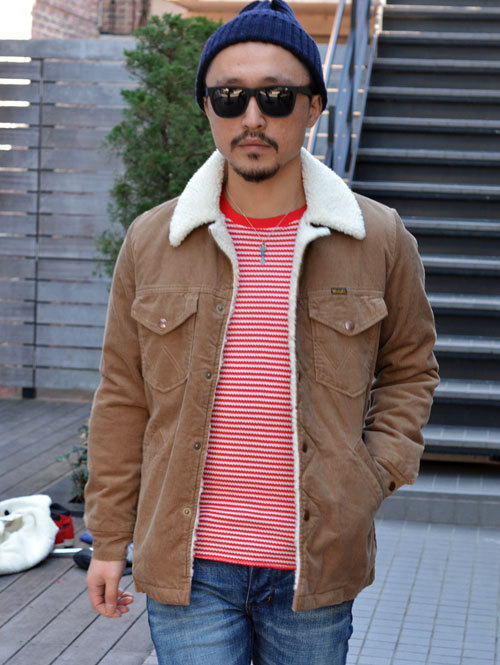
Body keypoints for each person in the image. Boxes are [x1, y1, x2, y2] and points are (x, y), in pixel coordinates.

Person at [84, 1, 439, 663]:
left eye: (276, 97)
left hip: (315, 565)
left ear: (313, 107)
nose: (252, 117)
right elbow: (123, 398)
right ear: (207, 107)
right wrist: (108, 539)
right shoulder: (153, 239)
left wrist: (373, 471)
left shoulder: (378, 238)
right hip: (188, 565)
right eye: (230, 97)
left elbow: (410, 367)